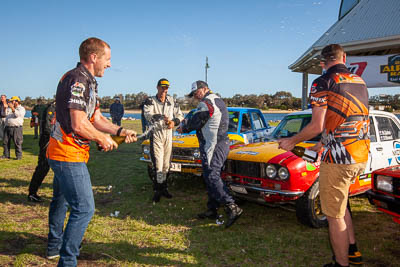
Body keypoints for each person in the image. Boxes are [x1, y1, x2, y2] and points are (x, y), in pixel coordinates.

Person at [46, 37, 137, 266]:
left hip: (64, 152)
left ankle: (54, 247)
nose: (109, 64)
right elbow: (78, 123)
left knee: (61, 200)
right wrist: (102, 139)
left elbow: (95, 118)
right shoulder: (78, 80)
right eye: (107, 59)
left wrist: (120, 130)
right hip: (68, 153)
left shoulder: (89, 81)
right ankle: (67, 261)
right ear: (93, 57)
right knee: (85, 209)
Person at [277, 44, 369, 267]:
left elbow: (317, 124)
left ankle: (341, 263)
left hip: (338, 160)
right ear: (343, 58)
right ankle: (353, 252)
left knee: (333, 215)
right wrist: (322, 144)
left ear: (322, 63)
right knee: (342, 204)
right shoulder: (359, 81)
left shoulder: (322, 82)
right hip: (360, 155)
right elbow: (343, 118)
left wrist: (291, 141)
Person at [177, 80, 243, 228]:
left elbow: (196, 122)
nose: (195, 96)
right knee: (209, 176)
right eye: (194, 94)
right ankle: (212, 209)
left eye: (196, 92)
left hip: (213, 145)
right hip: (219, 142)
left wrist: (183, 127)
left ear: (205, 89)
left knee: (212, 176)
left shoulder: (206, 103)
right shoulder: (217, 99)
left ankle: (232, 206)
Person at [143, 78, 184, 202]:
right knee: (158, 165)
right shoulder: (150, 101)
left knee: (166, 164)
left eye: (166, 88)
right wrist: (161, 117)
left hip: (168, 134)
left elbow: (180, 115)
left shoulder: (172, 100)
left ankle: (164, 188)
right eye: (162, 87)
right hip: (156, 134)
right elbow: (148, 115)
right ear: (157, 87)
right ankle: (157, 190)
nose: (164, 90)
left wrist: (173, 122)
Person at [27, 101, 56, 202]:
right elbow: (49, 128)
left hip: (51, 140)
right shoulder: (51, 109)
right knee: (43, 167)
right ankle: (32, 193)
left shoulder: (55, 107)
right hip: (48, 140)